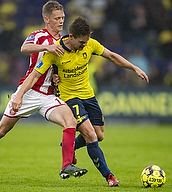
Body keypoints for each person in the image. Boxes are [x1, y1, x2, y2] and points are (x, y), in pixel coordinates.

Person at [0, 0, 87, 182]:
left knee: (69, 120)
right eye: (56, 18)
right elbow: (24, 48)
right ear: (47, 19)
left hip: (48, 96)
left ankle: (66, 167)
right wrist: (46, 47)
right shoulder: (39, 35)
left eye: (62, 18)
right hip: (29, 92)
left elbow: (57, 65)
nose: (61, 21)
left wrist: (55, 76)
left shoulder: (64, 40)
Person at [12, 17, 149, 187]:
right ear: (71, 36)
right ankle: (109, 177)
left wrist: (134, 68)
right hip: (69, 98)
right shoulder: (55, 52)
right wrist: (19, 95)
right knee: (90, 135)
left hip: (88, 95)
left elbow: (112, 56)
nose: (85, 45)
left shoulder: (90, 43)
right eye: (81, 42)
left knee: (99, 135)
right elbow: (34, 75)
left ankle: (69, 145)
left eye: (86, 41)